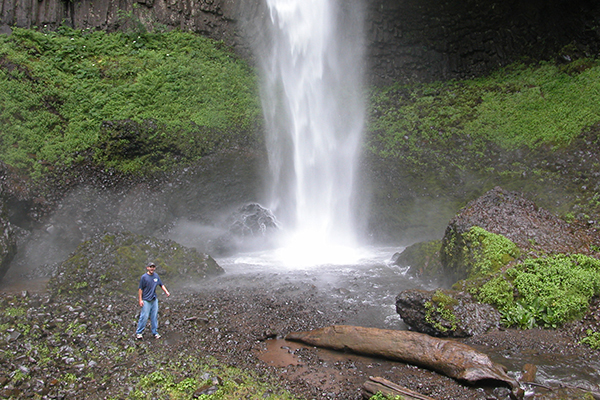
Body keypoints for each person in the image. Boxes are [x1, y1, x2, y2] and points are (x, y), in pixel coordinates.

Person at [135, 262, 170, 339]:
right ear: (147, 268)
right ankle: (139, 332)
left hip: (154, 299)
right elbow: (140, 289)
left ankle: (155, 332)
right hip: (146, 300)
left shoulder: (156, 276)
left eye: (153, 267)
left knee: (154, 316)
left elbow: (161, 284)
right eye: (150, 267)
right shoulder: (144, 277)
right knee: (144, 316)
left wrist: (166, 291)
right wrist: (140, 300)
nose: (152, 268)